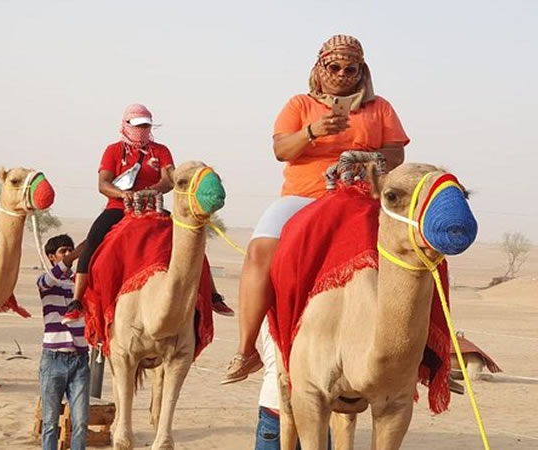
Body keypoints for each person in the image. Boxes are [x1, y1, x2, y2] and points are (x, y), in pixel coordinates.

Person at [222, 34, 409, 383]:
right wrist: (313, 131)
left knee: (414, 251)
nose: (341, 74)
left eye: (350, 68)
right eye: (334, 67)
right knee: (259, 249)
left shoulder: (379, 107)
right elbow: (281, 150)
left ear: (361, 71)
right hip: (305, 195)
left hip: (361, 196)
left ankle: (423, 353)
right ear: (320, 67)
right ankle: (245, 350)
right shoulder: (300, 105)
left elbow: (396, 154)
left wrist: (366, 156)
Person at [62, 104, 233, 324]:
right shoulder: (113, 150)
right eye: (137, 125)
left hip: (153, 206)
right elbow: (103, 183)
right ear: (125, 125)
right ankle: (77, 302)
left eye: (145, 125)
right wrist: (123, 194)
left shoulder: (160, 151)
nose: (142, 129)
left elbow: (168, 179)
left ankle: (212, 294)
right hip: (118, 207)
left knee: (190, 239)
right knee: (93, 239)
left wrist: (148, 191)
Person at [38, 234, 89, 450]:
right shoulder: (45, 282)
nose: (68, 254)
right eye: (63, 251)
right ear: (51, 257)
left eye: (70, 250)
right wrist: (74, 256)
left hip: (79, 359)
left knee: (81, 423)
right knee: (50, 423)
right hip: (53, 359)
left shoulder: (79, 283)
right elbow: (49, 279)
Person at [256, 320, 332, 449]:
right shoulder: (326, 306)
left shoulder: (269, 303)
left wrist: (244, 352)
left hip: (278, 406)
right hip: (314, 409)